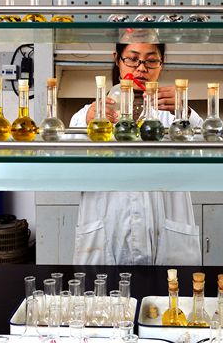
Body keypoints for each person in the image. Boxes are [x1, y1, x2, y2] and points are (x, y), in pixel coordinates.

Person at [69, 42, 203, 265]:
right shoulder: (92, 114)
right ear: (117, 60)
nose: (141, 68)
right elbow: (66, 157)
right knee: (103, 288)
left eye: (151, 60)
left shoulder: (174, 115)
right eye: (132, 59)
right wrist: (86, 120)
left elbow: (210, 150)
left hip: (165, 233)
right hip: (108, 233)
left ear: (161, 64)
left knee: (169, 288)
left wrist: (186, 112)